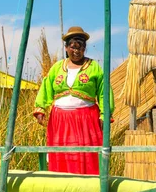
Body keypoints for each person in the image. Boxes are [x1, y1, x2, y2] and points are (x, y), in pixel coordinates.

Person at [33, 26, 114, 175]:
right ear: (66, 47)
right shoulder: (57, 68)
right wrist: (40, 108)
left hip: (86, 120)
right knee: (62, 153)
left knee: (86, 154)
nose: (76, 51)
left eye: (80, 47)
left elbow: (104, 92)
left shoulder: (94, 68)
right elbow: (46, 88)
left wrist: (105, 113)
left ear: (84, 48)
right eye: (72, 47)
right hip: (60, 121)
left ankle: (89, 188)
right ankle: (61, 187)